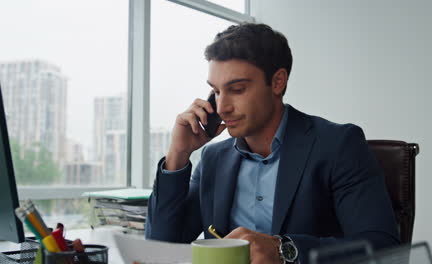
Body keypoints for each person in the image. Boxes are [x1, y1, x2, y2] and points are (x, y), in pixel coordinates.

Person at [145, 23, 399, 264]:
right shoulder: (214, 158)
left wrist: (283, 250)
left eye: (237, 89)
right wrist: (178, 154)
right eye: (217, 91)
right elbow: (160, 249)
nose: (222, 107)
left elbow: (382, 248)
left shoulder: (338, 145)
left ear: (278, 82)